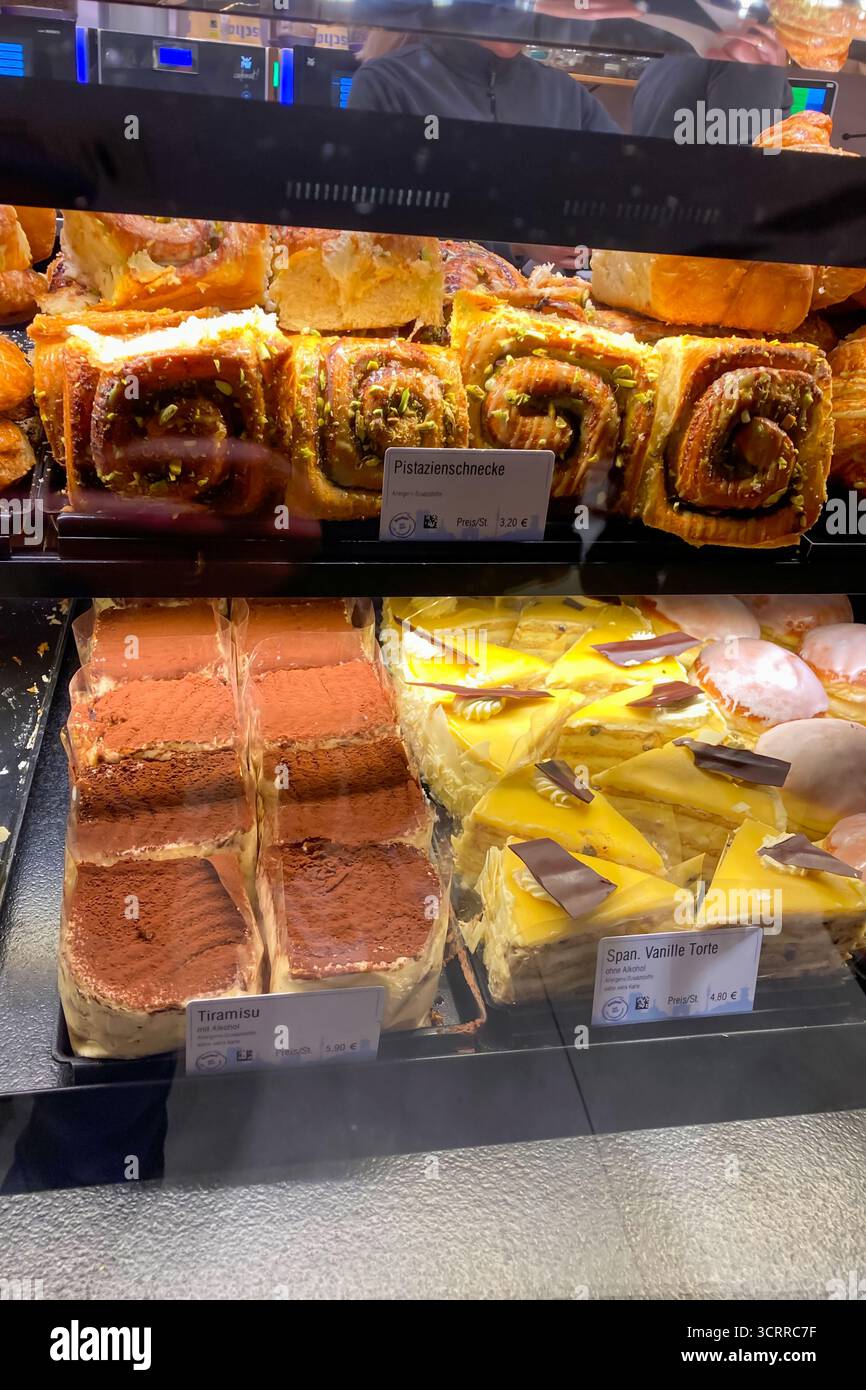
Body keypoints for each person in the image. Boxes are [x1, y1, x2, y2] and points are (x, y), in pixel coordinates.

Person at [348, 30, 620, 269]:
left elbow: (625, 192)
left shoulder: (566, 94)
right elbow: (375, 230)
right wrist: (518, 241)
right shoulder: (388, 83)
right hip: (423, 308)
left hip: (550, 314)